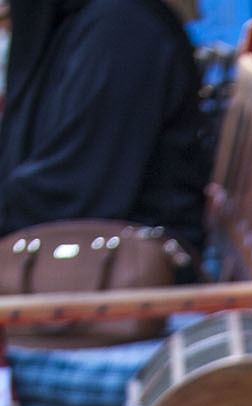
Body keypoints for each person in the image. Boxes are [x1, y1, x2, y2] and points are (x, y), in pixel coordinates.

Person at [0, 0, 205, 256]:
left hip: (126, 273)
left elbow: (68, 195)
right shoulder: (70, 23)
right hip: (76, 262)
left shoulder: (124, 27)